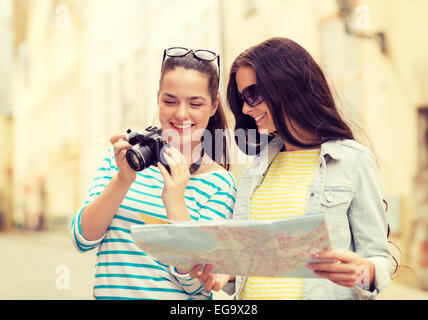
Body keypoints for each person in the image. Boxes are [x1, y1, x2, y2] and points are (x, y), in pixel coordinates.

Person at [190, 37, 394, 300]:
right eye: (242, 98)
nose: (244, 108)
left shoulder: (353, 161)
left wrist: (363, 271)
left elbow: (380, 261)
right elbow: (252, 259)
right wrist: (226, 273)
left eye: (252, 94)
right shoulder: (256, 170)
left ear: (286, 86)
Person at [71, 47, 237, 300]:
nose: (181, 114)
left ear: (213, 106)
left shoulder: (219, 184)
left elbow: (197, 284)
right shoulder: (124, 158)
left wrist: (176, 202)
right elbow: (82, 238)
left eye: (195, 103)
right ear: (158, 98)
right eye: (170, 101)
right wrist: (122, 180)